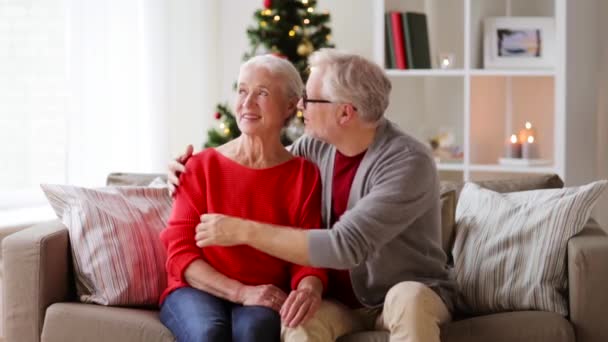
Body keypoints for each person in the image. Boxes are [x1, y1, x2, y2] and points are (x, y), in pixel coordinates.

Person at [169, 49, 455, 342]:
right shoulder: (317, 147)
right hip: (341, 304)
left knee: (409, 299)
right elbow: (262, 164)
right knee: (298, 323)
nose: (300, 106)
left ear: (345, 112)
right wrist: (186, 168)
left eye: (310, 99)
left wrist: (242, 230)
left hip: (400, 296)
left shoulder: (408, 161)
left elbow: (345, 245)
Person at [159, 54, 328, 342]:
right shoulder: (200, 166)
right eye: (242, 90)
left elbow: (307, 254)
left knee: (255, 331)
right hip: (196, 289)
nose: (247, 103)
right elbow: (180, 254)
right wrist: (241, 292)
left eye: (262, 93)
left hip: (265, 289)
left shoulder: (304, 174)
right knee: (208, 333)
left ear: (290, 105)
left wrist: (309, 289)